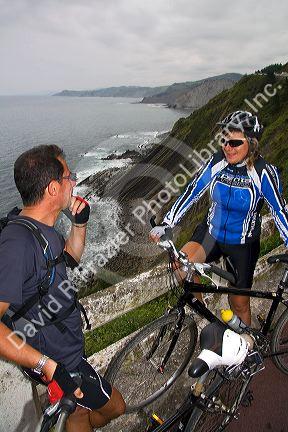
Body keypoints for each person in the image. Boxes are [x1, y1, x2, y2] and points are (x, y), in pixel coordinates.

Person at [0, 145, 125, 432]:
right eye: (69, 177)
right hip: (57, 358)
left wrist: (80, 224)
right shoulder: (17, 244)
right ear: (53, 189)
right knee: (117, 406)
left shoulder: (41, 226)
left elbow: (69, 258)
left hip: (60, 347)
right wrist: (47, 365)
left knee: (78, 414)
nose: (75, 182)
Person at [150, 111, 288, 325]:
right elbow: (193, 191)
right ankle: (202, 315)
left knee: (239, 304)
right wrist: (168, 223)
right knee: (181, 266)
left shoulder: (262, 172)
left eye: (235, 142)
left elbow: (279, 210)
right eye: (224, 140)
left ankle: (246, 349)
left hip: (241, 243)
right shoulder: (217, 161)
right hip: (211, 233)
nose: (227, 147)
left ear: (251, 144)